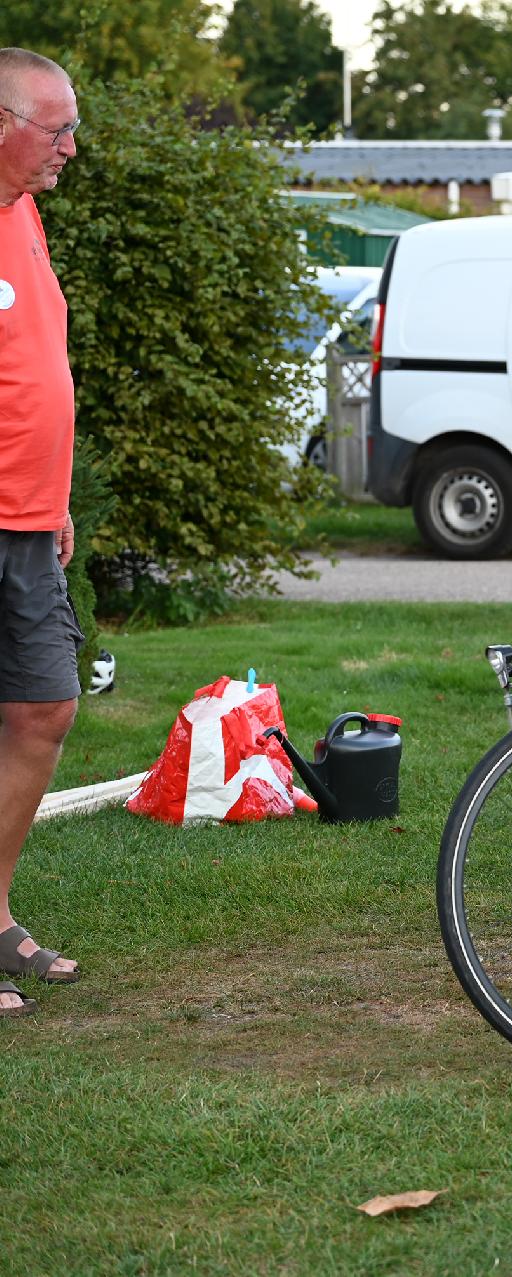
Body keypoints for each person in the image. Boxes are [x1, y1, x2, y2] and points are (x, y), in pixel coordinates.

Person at [0, 47, 84, 1018]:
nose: (69, 147)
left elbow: (34, 357)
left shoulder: (24, 213)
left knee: (43, 708)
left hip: (28, 516)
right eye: (56, 129)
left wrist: (53, 494)